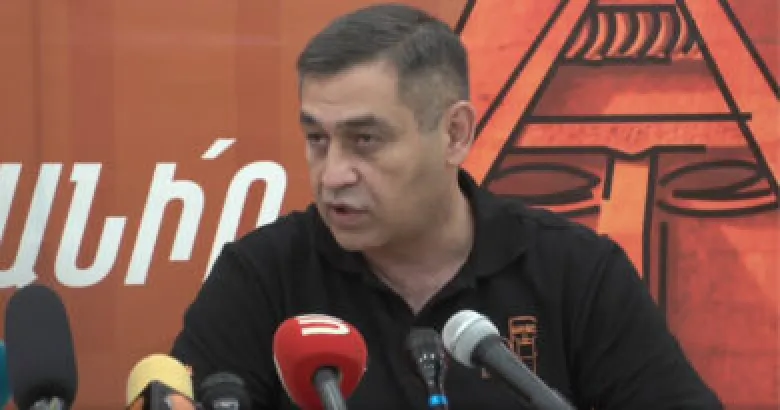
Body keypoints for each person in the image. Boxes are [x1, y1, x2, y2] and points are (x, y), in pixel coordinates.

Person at [170, 3, 723, 409]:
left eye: (366, 140)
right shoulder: (261, 278)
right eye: (317, 139)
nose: (333, 174)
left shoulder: (575, 272)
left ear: (455, 134)